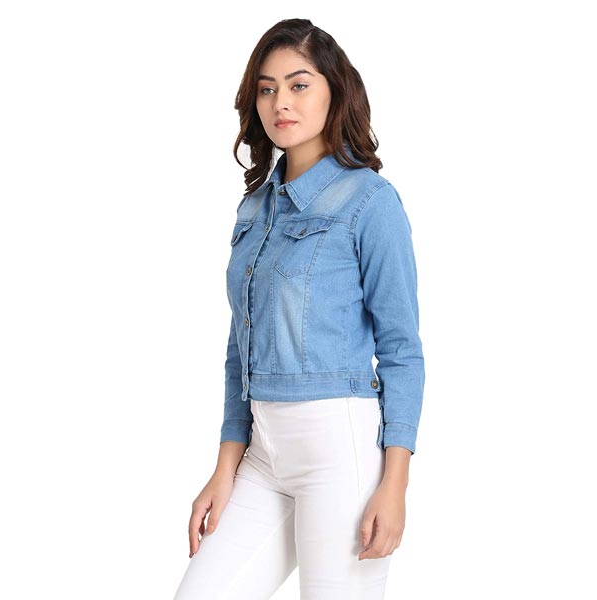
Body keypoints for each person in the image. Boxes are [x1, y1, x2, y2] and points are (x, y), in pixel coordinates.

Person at [173, 18, 425, 600]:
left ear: (334, 90)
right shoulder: (255, 207)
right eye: (267, 88)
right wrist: (225, 467)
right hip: (263, 455)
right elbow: (240, 347)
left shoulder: (370, 202)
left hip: (340, 451)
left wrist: (395, 485)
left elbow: (402, 349)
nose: (280, 102)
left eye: (299, 84)